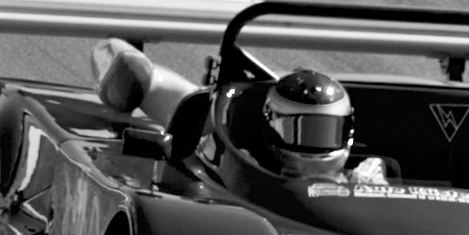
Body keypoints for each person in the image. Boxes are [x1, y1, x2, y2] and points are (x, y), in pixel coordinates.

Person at [91, 38, 387, 184]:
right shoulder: (243, 169)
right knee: (130, 78)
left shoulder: (366, 182)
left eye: (326, 131)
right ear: (271, 124)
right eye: (298, 130)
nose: (314, 143)